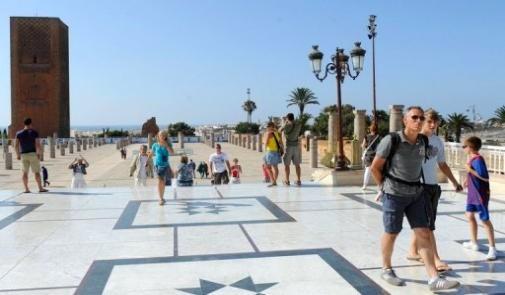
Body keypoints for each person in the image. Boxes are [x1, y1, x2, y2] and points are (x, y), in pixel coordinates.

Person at [370, 106, 459, 291]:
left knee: (424, 232)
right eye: (414, 117)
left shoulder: (423, 142)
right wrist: (383, 188)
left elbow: (433, 163)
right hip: (394, 194)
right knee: (392, 232)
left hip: (416, 193)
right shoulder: (392, 140)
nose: (418, 121)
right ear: (405, 120)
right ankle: (386, 268)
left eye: (421, 118)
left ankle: (434, 278)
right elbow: (375, 167)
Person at [406, 109, 463, 272]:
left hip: (433, 187)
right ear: (423, 121)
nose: (432, 125)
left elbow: (442, 164)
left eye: (435, 122)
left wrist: (454, 182)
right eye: (429, 121)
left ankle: (412, 251)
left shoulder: (437, 141)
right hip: (419, 187)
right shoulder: (414, 139)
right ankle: (436, 259)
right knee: (428, 225)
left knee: (425, 222)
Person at [462, 136, 497, 260]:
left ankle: (492, 248)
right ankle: (474, 242)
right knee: (469, 215)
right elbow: (471, 174)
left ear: (470, 147)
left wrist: (470, 170)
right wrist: (467, 179)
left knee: (484, 219)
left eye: (464, 146)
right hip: (472, 193)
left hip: (481, 194)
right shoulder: (471, 158)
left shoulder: (478, 160)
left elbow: (485, 177)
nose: (463, 149)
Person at [14, 118, 48, 193]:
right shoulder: (34, 132)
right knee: (36, 172)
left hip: (23, 154)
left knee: (24, 172)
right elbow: (37, 144)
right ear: (30, 123)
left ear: (24, 124)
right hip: (33, 154)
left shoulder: (18, 133)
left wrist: (18, 155)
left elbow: (16, 145)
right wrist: (38, 154)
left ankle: (26, 189)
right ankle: (40, 188)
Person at [150, 130, 174, 205]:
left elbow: (172, 153)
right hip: (158, 166)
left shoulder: (169, 144)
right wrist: (147, 154)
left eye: (164, 135)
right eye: (161, 135)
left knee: (163, 182)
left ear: (166, 136)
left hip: (165, 166)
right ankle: (160, 198)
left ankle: (162, 197)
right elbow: (151, 153)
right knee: (160, 181)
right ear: (158, 136)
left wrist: (167, 146)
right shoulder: (155, 145)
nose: (163, 137)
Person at [280, 113, 302, 186]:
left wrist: (285, 122)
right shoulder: (298, 124)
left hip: (288, 146)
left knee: (287, 165)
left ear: (287, 118)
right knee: (297, 165)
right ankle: (298, 180)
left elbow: (279, 130)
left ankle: (287, 180)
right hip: (296, 146)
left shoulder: (287, 125)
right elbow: (296, 123)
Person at [361, 122, 381, 190]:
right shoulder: (378, 137)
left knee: (367, 170)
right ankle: (379, 185)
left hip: (368, 155)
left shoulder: (366, 136)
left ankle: (365, 185)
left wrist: (366, 147)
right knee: (377, 171)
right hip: (376, 156)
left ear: (370, 129)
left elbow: (363, 146)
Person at [264, 122, 283, 187]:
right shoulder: (277, 133)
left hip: (270, 152)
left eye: (267, 126)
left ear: (271, 126)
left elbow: (266, 143)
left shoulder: (269, 134)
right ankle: (274, 181)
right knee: (275, 167)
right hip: (276, 152)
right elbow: (280, 142)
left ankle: (273, 181)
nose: (267, 128)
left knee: (268, 167)